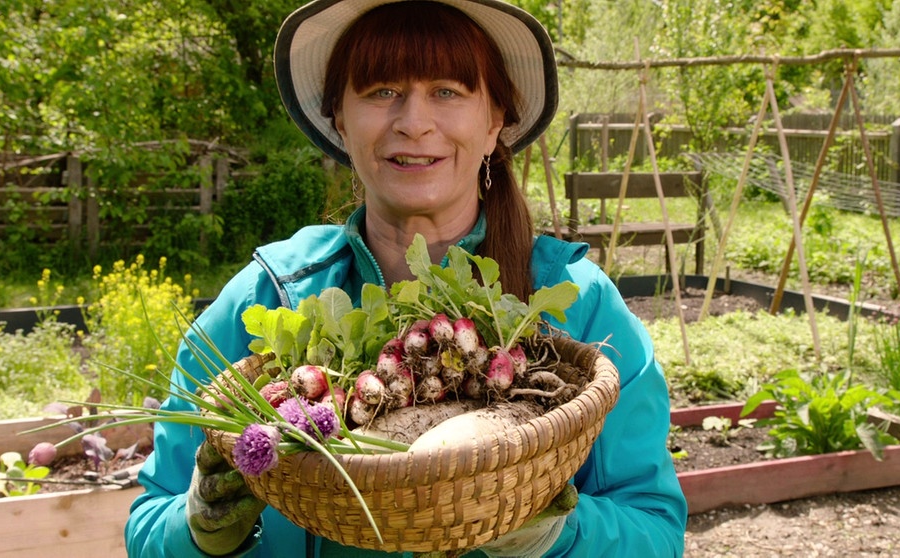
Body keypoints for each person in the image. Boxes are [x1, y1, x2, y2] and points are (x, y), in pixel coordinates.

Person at [124, 0, 688, 556]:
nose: (414, 123)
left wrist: (550, 532)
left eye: (447, 91)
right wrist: (200, 526)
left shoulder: (581, 307)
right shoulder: (266, 296)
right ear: (340, 120)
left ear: (494, 122)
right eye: (381, 91)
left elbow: (655, 532)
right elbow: (148, 527)